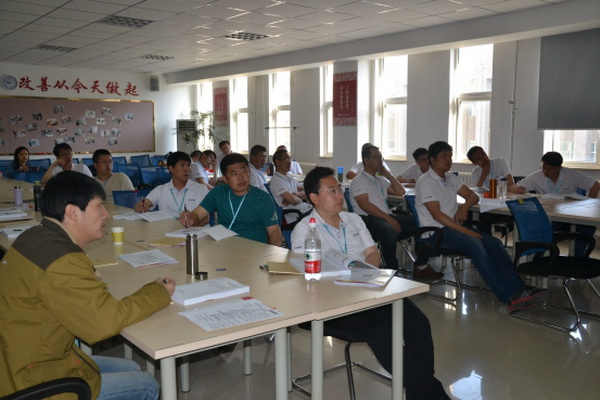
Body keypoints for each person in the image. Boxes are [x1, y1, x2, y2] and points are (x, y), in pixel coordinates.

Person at [0, 171, 175, 399]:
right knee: (147, 384)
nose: (106, 215)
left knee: (131, 366)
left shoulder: (34, 235)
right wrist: (158, 292)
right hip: (27, 377)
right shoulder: (63, 260)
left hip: (18, 357)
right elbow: (102, 324)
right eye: (99, 206)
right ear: (72, 212)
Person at [291, 167, 451, 400]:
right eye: (332, 191)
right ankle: (434, 395)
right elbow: (305, 272)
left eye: (339, 190)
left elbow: (372, 254)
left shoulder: (353, 220)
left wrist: (365, 274)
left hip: (367, 290)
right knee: (379, 330)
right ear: (314, 198)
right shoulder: (304, 229)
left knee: (418, 324)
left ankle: (419, 394)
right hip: (332, 303)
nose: (340, 195)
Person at [415, 141, 548, 311]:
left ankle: (519, 289)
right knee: (476, 245)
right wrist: (466, 231)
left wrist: (464, 207)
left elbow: (473, 196)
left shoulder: (450, 178)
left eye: (450, 156)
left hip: (453, 228)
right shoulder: (426, 181)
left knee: (495, 243)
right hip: (435, 233)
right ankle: (509, 296)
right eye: (444, 156)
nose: (449, 160)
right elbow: (437, 215)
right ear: (432, 160)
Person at [349, 144, 434, 277]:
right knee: (388, 231)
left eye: (381, 157)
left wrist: (388, 174)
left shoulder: (380, 180)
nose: (380, 160)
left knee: (421, 223)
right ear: (366, 160)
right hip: (367, 219)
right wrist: (389, 219)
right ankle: (391, 270)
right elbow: (365, 205)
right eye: (376, 157)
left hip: (386, 216)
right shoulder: (358, 181)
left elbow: (400, 191)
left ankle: (421, 265)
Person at [180, 153, 283, 246]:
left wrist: (271, 254)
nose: (241, 177)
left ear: (249, 172)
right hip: (224, 247)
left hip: (255, 250)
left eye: (244, 171)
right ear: (225, 179)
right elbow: (197, 214)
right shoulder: (219, 192)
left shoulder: (263, 198)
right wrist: (191, 218)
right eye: (234, 174)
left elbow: (274, 231)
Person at [509, 151, 600, 256]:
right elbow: (513, 187)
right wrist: (517, 189)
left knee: (588, 228)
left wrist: (589, 201)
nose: (545, 171)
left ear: (559, 168)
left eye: (549, 169)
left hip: (570, 215)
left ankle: (577, 258)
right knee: (545, 228)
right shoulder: (537, 176)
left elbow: (595, 185)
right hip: (550, 216)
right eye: (544, 168)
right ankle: (541, 258)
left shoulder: (572, 175)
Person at [134, 151, 209, 220]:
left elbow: (206, 219)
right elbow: (144, 203)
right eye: (182, 165)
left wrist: (192, 222)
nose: (187, 169)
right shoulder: (160, 190)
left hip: (194, 229)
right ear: (171, 169)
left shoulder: (201, 189)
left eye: (188, 165)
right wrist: (141, 206)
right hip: (167, 228)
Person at [466, 145, 516, 234]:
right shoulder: (476, 172)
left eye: (483, 154)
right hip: (487, 206)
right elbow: (476, 192)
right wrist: (483, 175)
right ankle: (486, 239)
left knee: (485, 216)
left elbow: (511, 184)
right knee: (481, 216)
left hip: (502, 204)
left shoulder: (500, 162)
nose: (484, 159)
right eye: (479, 158)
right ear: (474, 163)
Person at [269, 148, 312, 223]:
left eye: (290, 159)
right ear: (278, 162)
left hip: (303, 209)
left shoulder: (290, 177)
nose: (289, 162)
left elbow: (307, 193)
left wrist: (295, 194)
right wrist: (297, 198)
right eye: (286, 159)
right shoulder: (276, 180)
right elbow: (293, 200)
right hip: (293, 215)